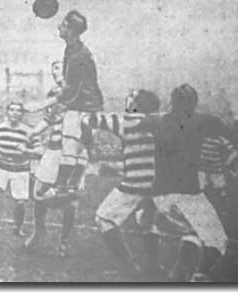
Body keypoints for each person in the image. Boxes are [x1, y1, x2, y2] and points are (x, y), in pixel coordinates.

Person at [137, 84, 228, 281]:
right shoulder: (203, 121)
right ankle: (198, 275)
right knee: (218, 241)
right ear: (194, 103)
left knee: (192, 233)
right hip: (189, 196)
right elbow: (227, 130)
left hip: (160, 197)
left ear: (172, 101)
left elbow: (142, 124)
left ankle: (177, 273)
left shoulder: (156, 121)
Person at [83, 89, 162, 276]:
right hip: (157, 185)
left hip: (134, 185)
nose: (126, 99)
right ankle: (153, 266)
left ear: (135, 104)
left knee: (103, 219)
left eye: (131, 97)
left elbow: (88, 120)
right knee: (145, 221)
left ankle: (130, 264)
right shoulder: (162, 122)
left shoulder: (126, 121)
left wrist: (89, 143)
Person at [26, 10, 103, 197]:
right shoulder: (71, 48)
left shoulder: (79, 55)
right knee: (76, 150)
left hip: (83, 107)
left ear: (71, 29)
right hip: (85, 105)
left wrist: (42, 106)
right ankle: (68, 184)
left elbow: (71, 90)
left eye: (63, 24)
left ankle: (63, 187)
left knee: (70, 149)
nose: (59, 27)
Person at [23, 61, 86, 257]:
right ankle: (39, 229)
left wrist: (37, 106)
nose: (55, 71)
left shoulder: (80, 93)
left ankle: (64, 241)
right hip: (53, 150)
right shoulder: (56, 96)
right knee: (38, 193)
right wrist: (32, 133)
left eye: (59, 67)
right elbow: (48, 120)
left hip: (74, 152)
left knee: (71, 199)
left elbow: (59, 101)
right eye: (53, 69)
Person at [0, 102, 42, 238]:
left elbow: (40, 151)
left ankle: (17, 228)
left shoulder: (29, 132)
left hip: (20, 169)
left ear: (22, 114)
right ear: (7, 112)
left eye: (18, 111)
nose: (14, 113)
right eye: (12, 110)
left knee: (20, 202)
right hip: (0, 167)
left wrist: (26, 150)